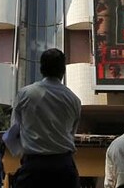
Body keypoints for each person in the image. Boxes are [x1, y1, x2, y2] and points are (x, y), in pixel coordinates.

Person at [10, 48, 82, 187]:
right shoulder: (74, 100)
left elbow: (13, 133)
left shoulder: (24, 94)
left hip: (32, 169)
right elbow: (71, 134)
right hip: (64, 169)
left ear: (41, 69)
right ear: (63, 70)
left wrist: (24, 156)